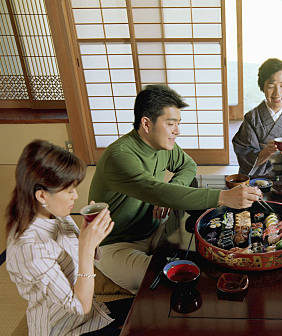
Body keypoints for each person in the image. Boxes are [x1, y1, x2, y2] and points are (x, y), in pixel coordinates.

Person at [89, 84, 262, 294]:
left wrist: (170, 189)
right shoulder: (120, 156)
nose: (177, 131)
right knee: (170, 281)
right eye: (171, 124)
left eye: (178, 124)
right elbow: (156, 190)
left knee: (209, 256)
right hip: (117, 245)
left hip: (155, 229)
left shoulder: (161, 144)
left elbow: (187, 165)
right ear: (146, 123)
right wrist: (223, 196)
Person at [5, 140, 133, 336]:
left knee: (151, 311)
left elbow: (79, 259)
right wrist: (86, 248)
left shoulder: (53, 213)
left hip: (92, 314)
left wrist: (91, 236)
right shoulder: (30, 248)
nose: (75, 196)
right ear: (41, 194)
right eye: (69, 189)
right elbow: (79, 306)